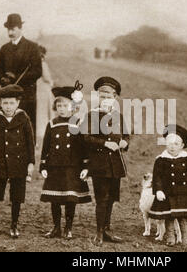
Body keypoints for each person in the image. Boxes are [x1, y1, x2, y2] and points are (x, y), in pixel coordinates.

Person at [0, 84, 35, 240]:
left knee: (17, 196)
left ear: (18, 103)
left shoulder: (23, 118)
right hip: (0, 163)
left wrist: (31, 162)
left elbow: (30, 142)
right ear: (0, 104)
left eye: (11, 103)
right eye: (5, 103)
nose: (8, 107)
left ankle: (14, 225)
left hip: (19, 163)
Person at [80, 76, 129, 245]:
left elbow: (127, 135)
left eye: (109, 97)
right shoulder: (91, 115)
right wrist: (105, 143)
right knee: (102, 198)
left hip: (115, 164)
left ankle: (107, 229)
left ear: (115, 98)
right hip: (99, 164)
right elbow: (86, 138)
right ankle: (99, 232)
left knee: (112, 198)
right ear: (97, 97)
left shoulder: (119, 116)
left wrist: (125, 142)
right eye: (102, 96)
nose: (105, 100)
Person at [39, 83, 92, 239]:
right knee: (55, 198)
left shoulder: (77, 123)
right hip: (55, 166)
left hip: (72, 167)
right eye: (59, 105)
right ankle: (56, 227)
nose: (62, 108)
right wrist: (43, 164)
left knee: (70, 198)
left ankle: (68, 228)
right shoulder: (52, 124)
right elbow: (46, 147)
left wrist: (85, 166)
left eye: (65, 105)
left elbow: (84, 148)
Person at [0, 13, 42, 135]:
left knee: (26, 130)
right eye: (8, 29)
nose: (10, 32)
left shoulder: (32, 47)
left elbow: (37, 71)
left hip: (26, 96)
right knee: (6, 129)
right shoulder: (4, 49)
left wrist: (18, 79)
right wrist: (4, 81)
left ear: (20, 28)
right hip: (7, 97)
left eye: (13, 29)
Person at [35, 45, 55, 143]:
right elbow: (46, 77)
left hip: (39, 88)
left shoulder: (34, 64)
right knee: (45, 109)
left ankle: (40, 130)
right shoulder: (42, 64)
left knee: (40, 109)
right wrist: (52, 82)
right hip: (44, 89)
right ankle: (43, 130)